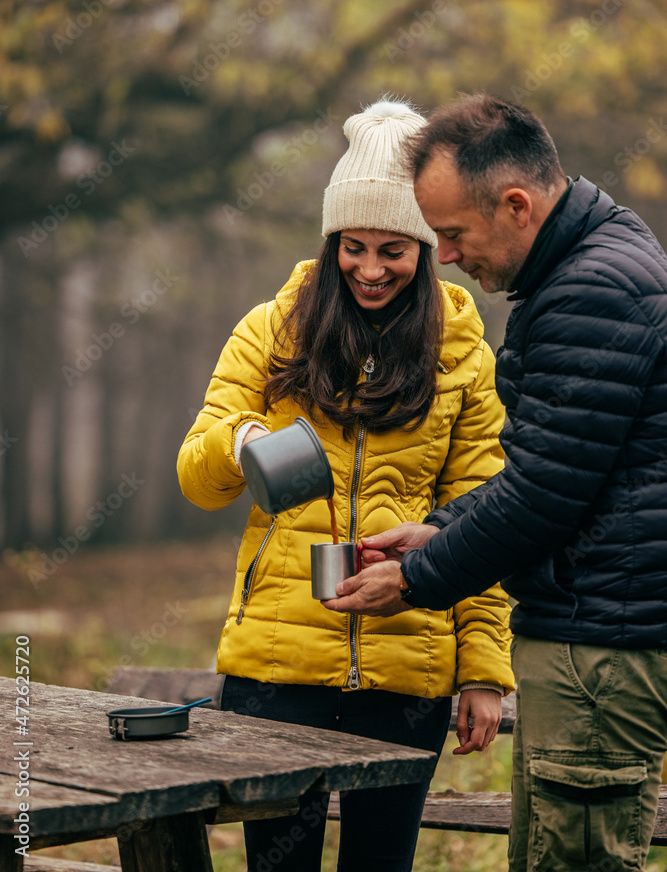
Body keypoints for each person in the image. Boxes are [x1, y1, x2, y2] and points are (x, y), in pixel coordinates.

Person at [326, 92, 667, 872]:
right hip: (596, 633)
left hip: (599, 643)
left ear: (515, 205)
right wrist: (443, 529)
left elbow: (544, 497)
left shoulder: (589, 291)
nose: (441, 256)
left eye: (449, 233)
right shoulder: (597, 261)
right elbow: (556, 469)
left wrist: (413, 579)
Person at [177, 98, 514, 872]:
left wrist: (483, 670)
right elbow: (197, 478)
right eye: (352, 247)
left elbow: (485, 514)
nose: (369, 268)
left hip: (410, 665)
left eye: (393, 249)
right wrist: (240, 440)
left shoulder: (463, 354)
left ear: (427, 247)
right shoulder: (271, 330)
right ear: (330, 243)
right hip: (275, 665)